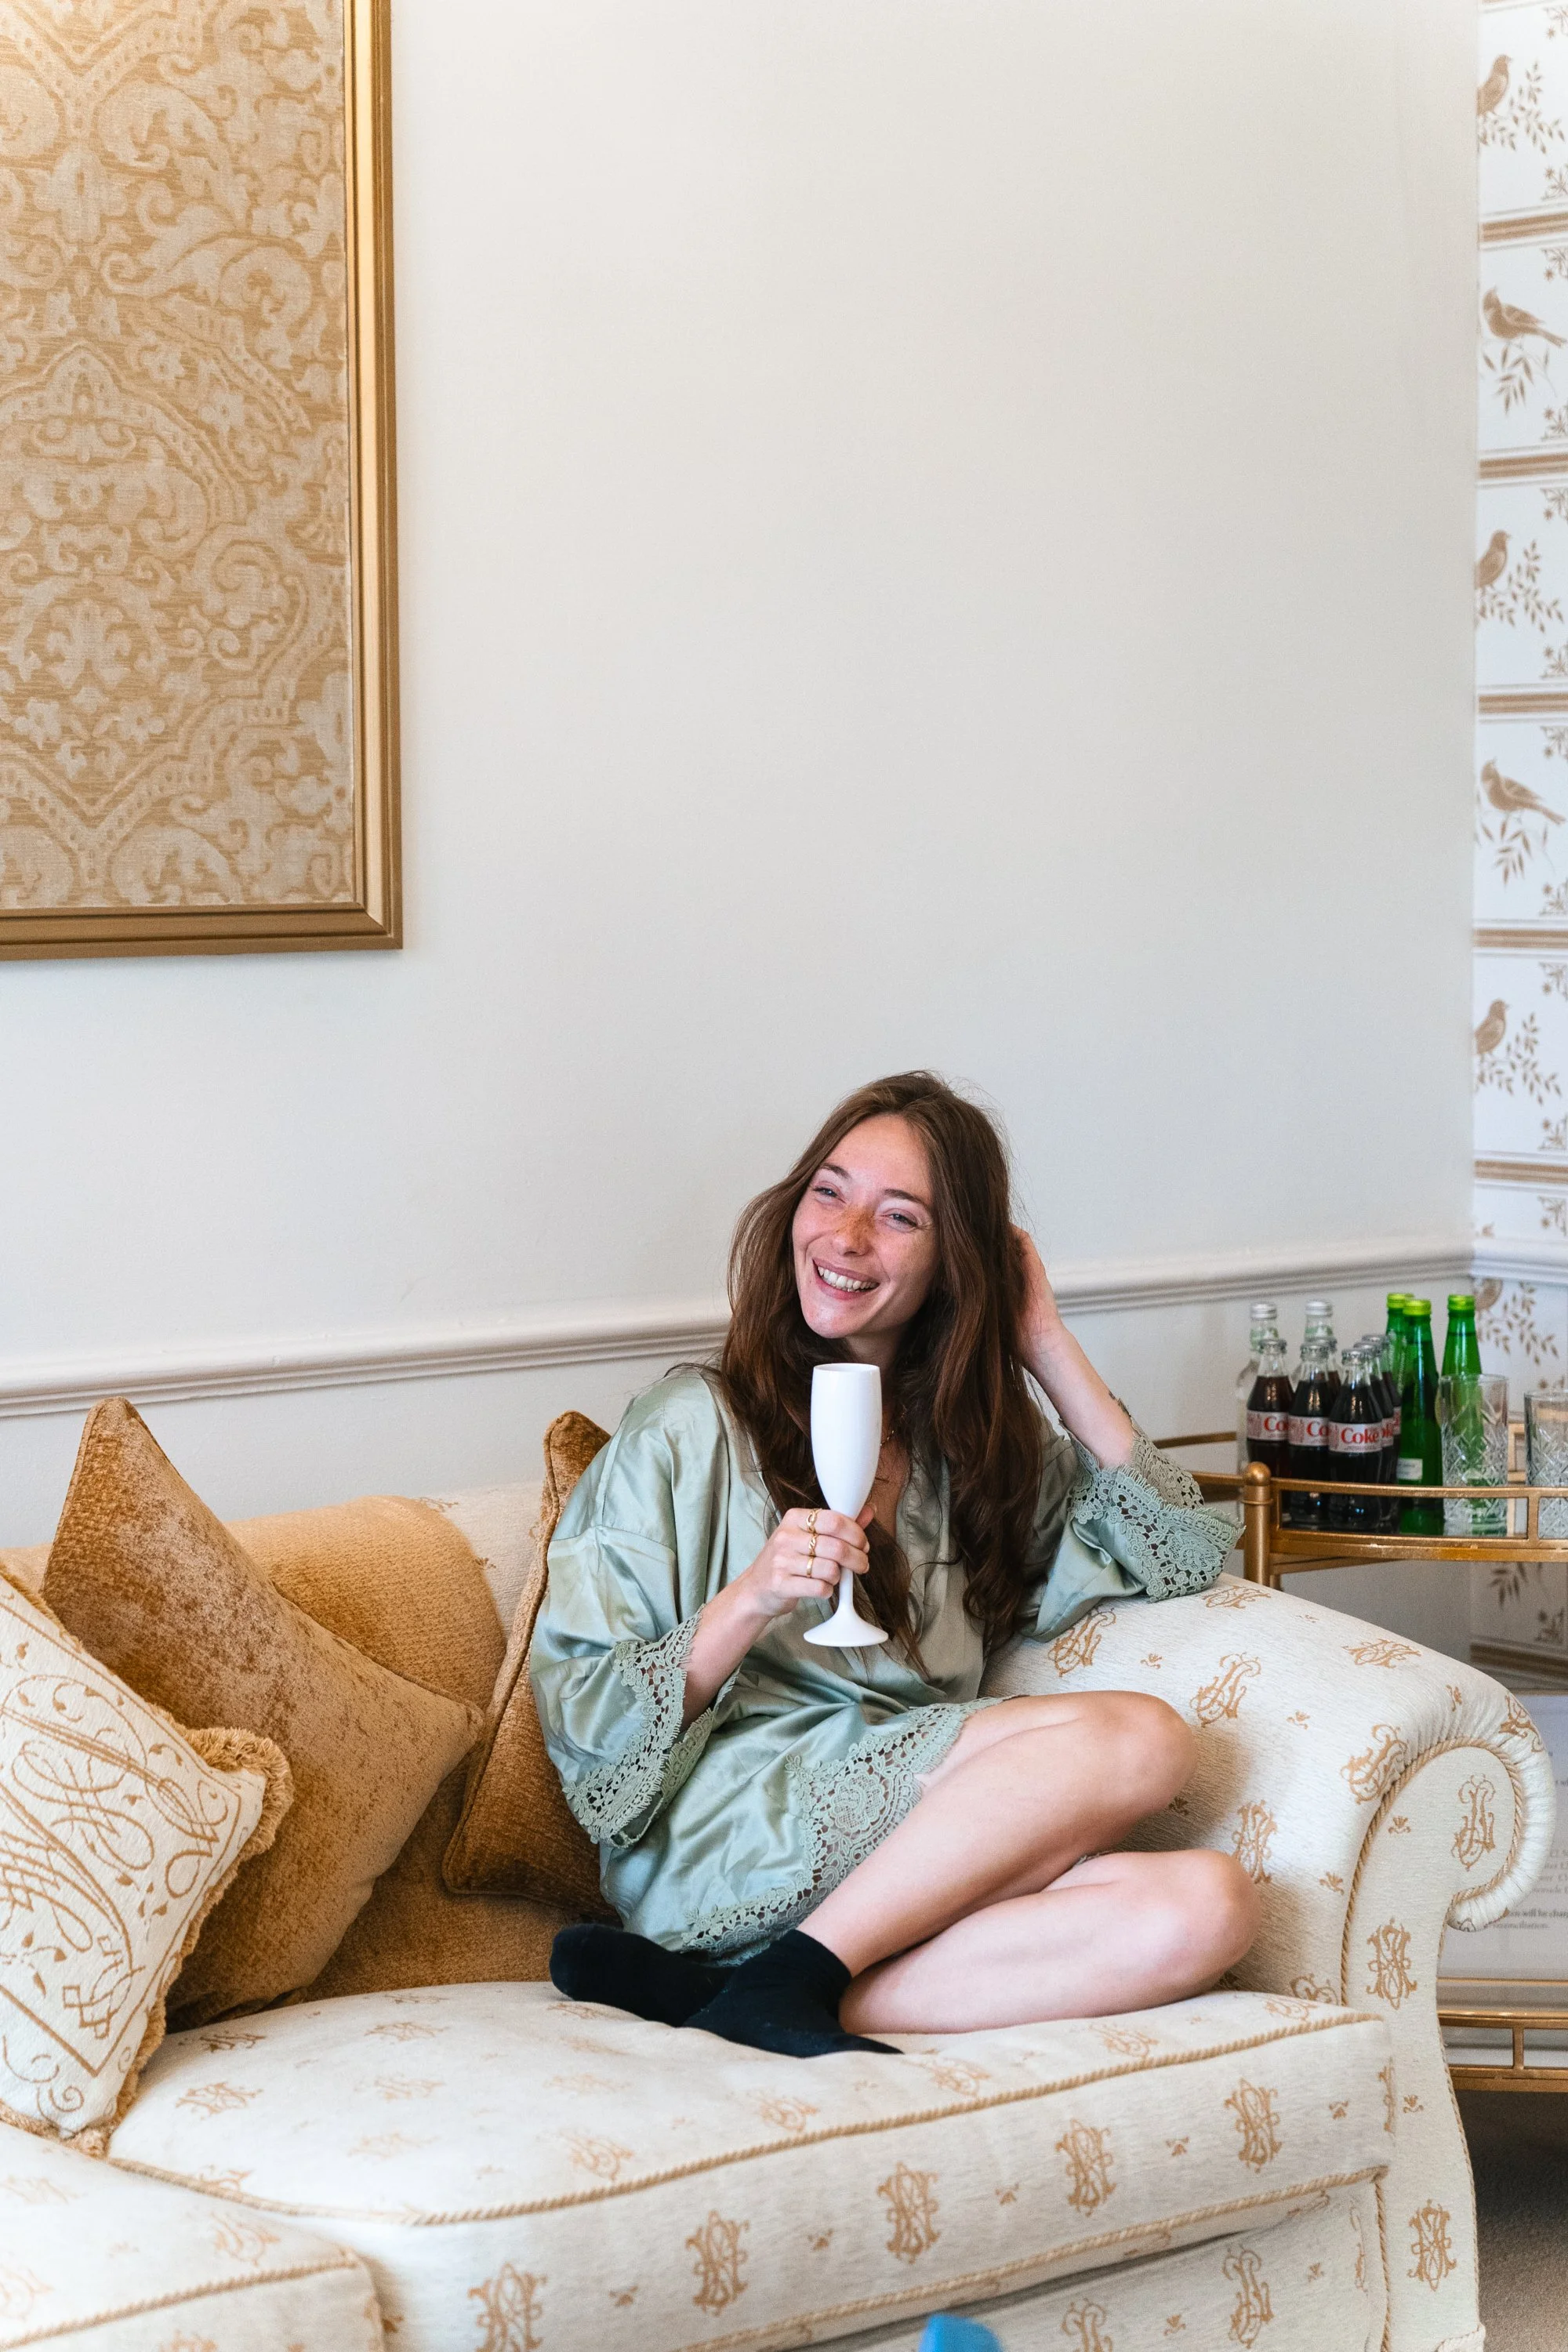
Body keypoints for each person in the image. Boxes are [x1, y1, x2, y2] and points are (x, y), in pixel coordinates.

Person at [534, 1073, 1255, 2057]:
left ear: (954, 1263)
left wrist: (1039, 1336)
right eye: (828, 1193)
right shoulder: (689, 1427)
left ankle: (752, 1992)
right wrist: (749, 1600)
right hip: (730, 1832)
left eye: (899, 1216)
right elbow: (587, 1734)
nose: (846, 1237)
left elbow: (1175, 1547)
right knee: (1144, 1741)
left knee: (1204, 1911)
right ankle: (788, 1972)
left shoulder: (976, 1453)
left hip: (907, 1848)